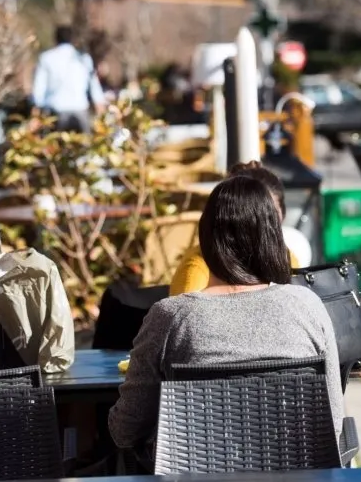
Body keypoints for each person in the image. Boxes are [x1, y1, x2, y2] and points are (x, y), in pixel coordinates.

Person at [108, 176, 343, 451]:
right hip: (298, 471)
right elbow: (334, 423)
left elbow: (125, 430)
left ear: (206, 237)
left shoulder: (171, 316)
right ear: (273, 237)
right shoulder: (307, 306)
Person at [169, 160, 300, 296]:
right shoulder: (198, 270)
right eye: (246, 214)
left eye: (268, 215)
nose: (258, 224)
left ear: (283, 215)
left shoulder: (288, 258)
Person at [32, 26, 106, 133]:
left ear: (56, 39)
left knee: (54, 146)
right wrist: (99, 105)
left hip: (55, 110)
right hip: (80, 110)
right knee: (84, 146)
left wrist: (37, 108)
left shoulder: (46, 58)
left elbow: (39, 88)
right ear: (72, 39)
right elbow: (94, 85)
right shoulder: (83, 58)